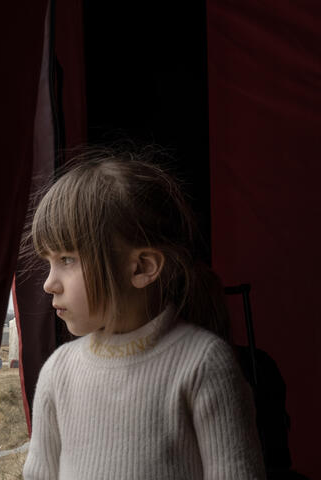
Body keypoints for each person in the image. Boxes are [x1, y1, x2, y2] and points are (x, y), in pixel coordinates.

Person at [22, 146, 266, 479]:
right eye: (48, 263)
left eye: (67, 260)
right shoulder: (58, 372)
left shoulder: (203, 365)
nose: (49, 284)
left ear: (141, 267)